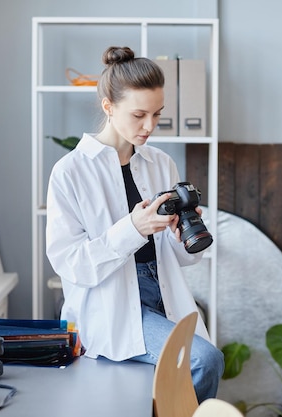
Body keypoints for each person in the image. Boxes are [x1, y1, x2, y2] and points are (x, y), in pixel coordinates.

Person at [45, 46, 224, 402]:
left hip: (164, 290)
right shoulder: (71, 172)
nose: (149, 126)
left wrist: (179, 235)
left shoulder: (160, 163)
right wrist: (134, 228)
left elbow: (182, 260)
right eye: (139, 114)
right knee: (205, 360)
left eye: (157, 114)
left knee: (195, 369)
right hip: (111, 305)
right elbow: (70, 262)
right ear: (108, 106)